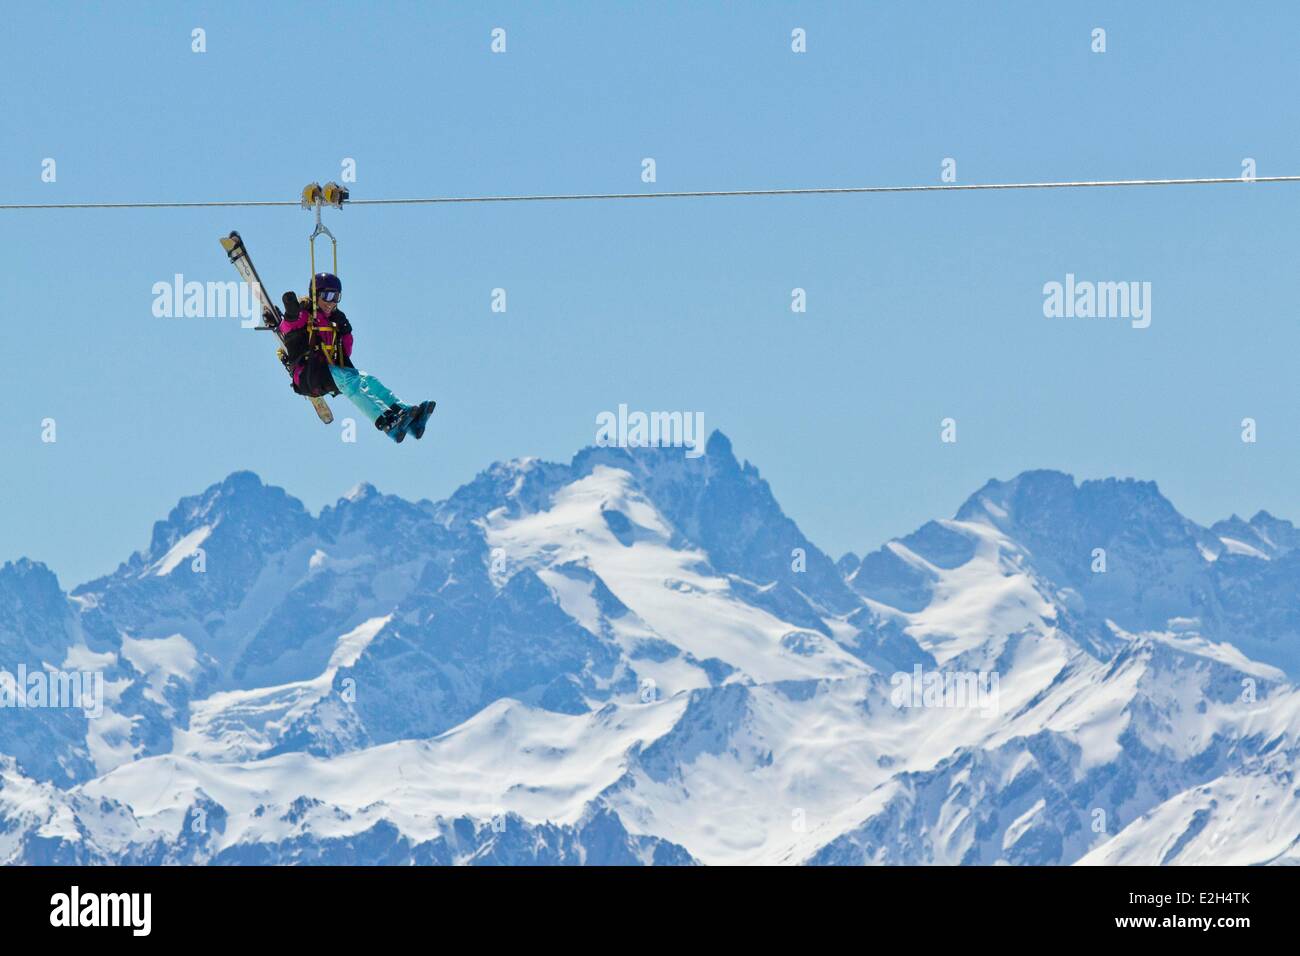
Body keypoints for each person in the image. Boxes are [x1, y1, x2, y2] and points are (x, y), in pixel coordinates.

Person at [279, 273, 435, 443]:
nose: (332, 302)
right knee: (349, 380)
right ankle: (385, 422)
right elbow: (288, 326)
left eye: (336, 297)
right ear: (315, 295)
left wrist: (345, 332)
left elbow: (345, 352)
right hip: (308, 375)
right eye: (327, 296)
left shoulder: (333, 321)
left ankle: (406, 415)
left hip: (328, 371)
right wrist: (291, 313)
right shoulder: (305, 315)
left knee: (368, 379)